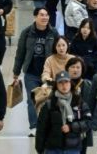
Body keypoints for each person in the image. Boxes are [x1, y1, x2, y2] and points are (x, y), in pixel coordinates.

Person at [12, 7, 60, 136]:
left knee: (48, 99)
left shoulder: (53, 33)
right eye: (41, 15)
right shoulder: (27, 33)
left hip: (48, 73)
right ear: (35, 17)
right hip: (31, 73)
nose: (45, 17)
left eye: (46, 15)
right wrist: (16, 72)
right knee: (32, 100)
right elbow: (20, 53)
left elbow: (59, 52)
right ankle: (34, 126)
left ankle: (47, 125)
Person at [35, 71, 92, 154]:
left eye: (66, 82)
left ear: (70, 83)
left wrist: (71, 127)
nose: (64, 85)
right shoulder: (50, 104)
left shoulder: (79, 102)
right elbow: (41, 128)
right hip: (52, 149)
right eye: (60, 83)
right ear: (56, 85)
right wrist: (39, 149)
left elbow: (88, 122)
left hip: (73, 148)